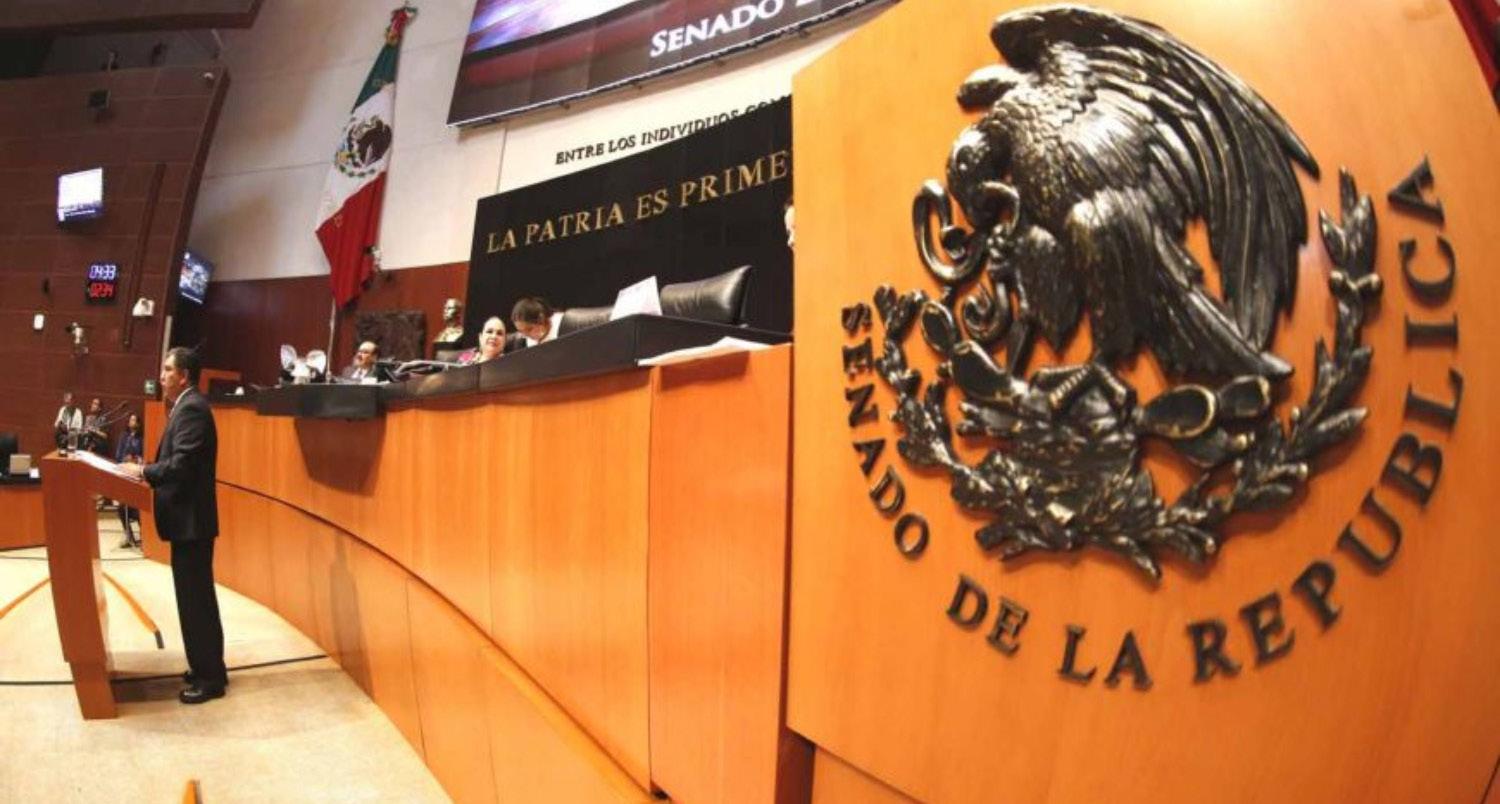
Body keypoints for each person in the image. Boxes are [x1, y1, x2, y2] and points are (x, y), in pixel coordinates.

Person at [120, 347, 227, 704]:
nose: (162, 375)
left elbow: (182, 465)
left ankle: (210, 680)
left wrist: (144, 472)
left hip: (191, 523)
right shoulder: (186, 405)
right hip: (188, 522)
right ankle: (207, 667)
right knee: (195, 600)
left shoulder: (192, 408)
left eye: (168, 369)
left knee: (196, 602)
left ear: (183, 376)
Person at [113, 413, 144, 549]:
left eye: (134, 420)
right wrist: (124, 459)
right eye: (130, 419)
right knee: (122, 508)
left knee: (138, 509)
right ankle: (128, 536)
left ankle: (145, 536)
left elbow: (143, 456)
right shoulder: (124, 437)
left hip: (136, 475)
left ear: (138, 423)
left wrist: (136, 460)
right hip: (124, 473)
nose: (132, 422)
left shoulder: (141, 438)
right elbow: (118, 455)